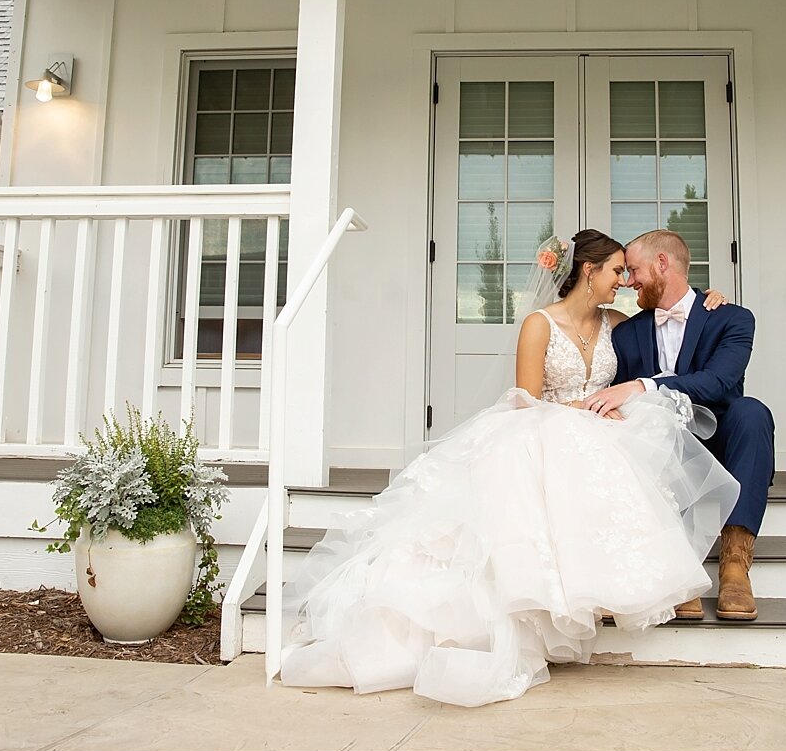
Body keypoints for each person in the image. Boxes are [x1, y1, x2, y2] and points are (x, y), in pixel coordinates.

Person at [278, 230, 741, 707]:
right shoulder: (539, 325)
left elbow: (669, 316)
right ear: (588, 271)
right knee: (560, 465)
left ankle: (623, 587)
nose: (623, 281)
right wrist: (577, 411)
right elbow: (525, 402)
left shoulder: (620, 323)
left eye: (627, 271)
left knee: (625, 454)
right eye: (617, 271)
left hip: (600, 430)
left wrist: (709, 297)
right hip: (542, 428)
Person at [581, 229, 776, 621]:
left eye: (634, 270)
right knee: (647, 427)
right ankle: (678, 566)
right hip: (661, 446)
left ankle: (735, 565)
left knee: (752, 412)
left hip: (719, 438)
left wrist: (642, 385)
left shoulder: (732, 318)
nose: (628, 281)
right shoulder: (627, 332)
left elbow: (719, 382)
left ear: (662, 264)